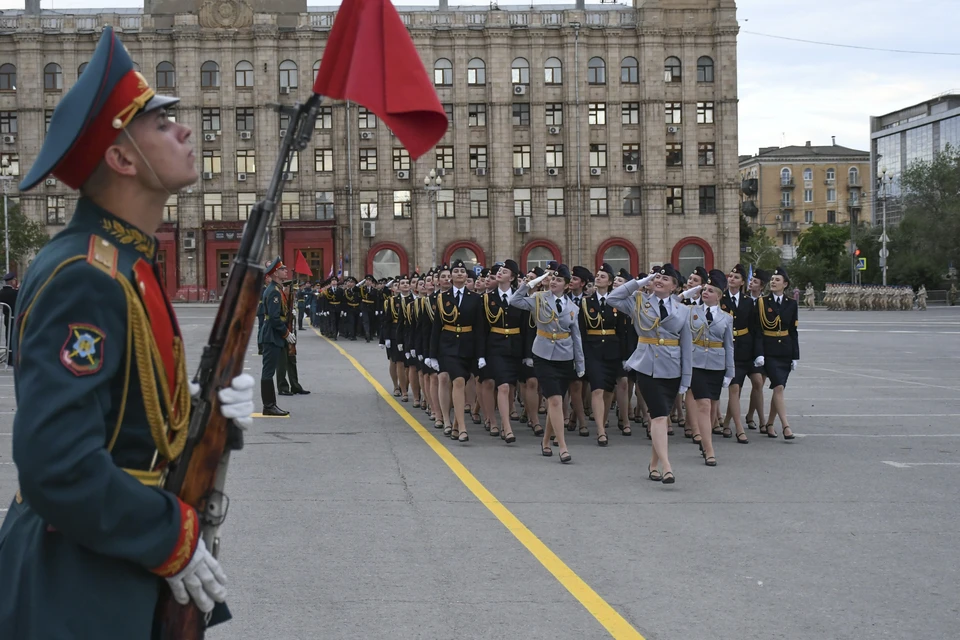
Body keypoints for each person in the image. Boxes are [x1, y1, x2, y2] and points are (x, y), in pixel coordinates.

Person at [0, 27, 255, 637]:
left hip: (111, 568)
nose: (185, 129)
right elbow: (55, 464)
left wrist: (205, 413)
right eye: (162, 123)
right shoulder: (86, 275)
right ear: (121, 159)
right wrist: (171, 537)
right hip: (77, 586)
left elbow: (125, 425)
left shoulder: (125, 263)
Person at [608, 264, 692, 485]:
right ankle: (667, 466)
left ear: (674, 287)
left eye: (666, 279)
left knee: (661, 418)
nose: (660, 280)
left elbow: (686, 346)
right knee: (659, 416)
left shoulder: (683, 310)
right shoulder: (638, 301)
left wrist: (686, 379)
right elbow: (612, 298)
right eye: (658, 277)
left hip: (672, 367)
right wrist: (639, 282)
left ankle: (653, 465)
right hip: (647, 365)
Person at [509, 264, 584, 463]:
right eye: (552, 279)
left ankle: (545, 441)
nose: (554, 282)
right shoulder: (539, 299)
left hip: (565, 357)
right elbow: (514, 300)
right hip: (543, 355)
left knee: (556, 402)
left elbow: (576, 337)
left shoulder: (573, 308)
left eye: (559, 280)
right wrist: (531, 282)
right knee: (555, 400)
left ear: (567, 286)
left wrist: (580, 363)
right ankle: (563, 447)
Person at [428, 259, 486, 442]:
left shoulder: (475, 299)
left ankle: (454, 426)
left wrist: (481, 354)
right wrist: (432, 355)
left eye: (463, 271)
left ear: (467, 276)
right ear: (450, 277)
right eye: (456, 271)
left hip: (468, 346)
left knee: (462, 380)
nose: (459, 273)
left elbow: (479, 329)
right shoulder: (442, 298)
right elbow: (436, 328)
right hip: (448, 346)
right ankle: (461, 426)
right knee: (458, 381)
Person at [689, 270, 735, 466]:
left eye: (710, 290)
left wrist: (729, 372)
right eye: (704, 289)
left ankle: (705, 440)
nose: (705, 292)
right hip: (696, 363)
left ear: (718, 295)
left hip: (716, 365)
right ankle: (709, 449)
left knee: (711, 407)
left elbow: (729, 346)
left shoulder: (726, 318)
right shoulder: (691, 311)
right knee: (704, 404)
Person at [579, 263, 621, 446]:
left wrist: (625, 355)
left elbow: (622, 331)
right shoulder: (586, 302)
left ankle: (602, 422)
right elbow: (581, 330)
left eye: (603, 276)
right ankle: (601, 430)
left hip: (612, 351)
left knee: (608, 391)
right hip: (593, 350)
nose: (598, 278)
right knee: (596, 389)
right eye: (597, 275)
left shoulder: (616, 302)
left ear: (610, 282)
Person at [755, 266, 799, 439]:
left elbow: (794, 331)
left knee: (778, 388)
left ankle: (770, 423)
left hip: (785, 351)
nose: (773, 282)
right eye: (772, 280)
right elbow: (758, 330)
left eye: (777, 280)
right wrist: (759, 353)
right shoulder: (762, 302)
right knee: (779, 387)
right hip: (769, 350)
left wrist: (796, 355)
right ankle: (786, 426)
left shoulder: (792, 304)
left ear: (785, 284)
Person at [259, 257, 294, 416]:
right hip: (272, 335)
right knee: (268, 372)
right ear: (275, 273)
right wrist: (286, 334)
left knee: (270, 371)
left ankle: (271, 404)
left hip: (274, 334)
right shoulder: (273, 291)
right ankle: (269, 405)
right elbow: (273, 318)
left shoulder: (277, 289)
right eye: (282, 269)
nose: (286, 271)